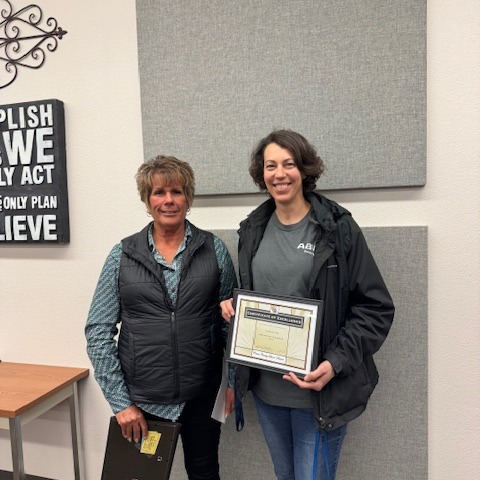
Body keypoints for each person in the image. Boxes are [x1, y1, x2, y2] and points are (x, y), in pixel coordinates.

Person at [220, 130, 395, 480]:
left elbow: (375, 307)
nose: (279, 174)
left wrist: (335, 362)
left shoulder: (337, 228)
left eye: (289, 164)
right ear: (261, 173)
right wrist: (235, 308)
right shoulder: (253, 229)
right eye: (271, 165)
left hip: (319, 394)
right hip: (269, 393)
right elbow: (260, 295)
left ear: (304, 169)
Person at [86, 155, 237, 480]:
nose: (168, 200)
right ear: (147, 199)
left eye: (177, 191)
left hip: (202, 396)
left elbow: (232, 327)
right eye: (159, 192)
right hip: (143, 402)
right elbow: (98, 332)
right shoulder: (122, 255)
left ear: (188, 197)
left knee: (205, 473)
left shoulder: (215, 251)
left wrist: (232, 382)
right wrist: (121, 403)